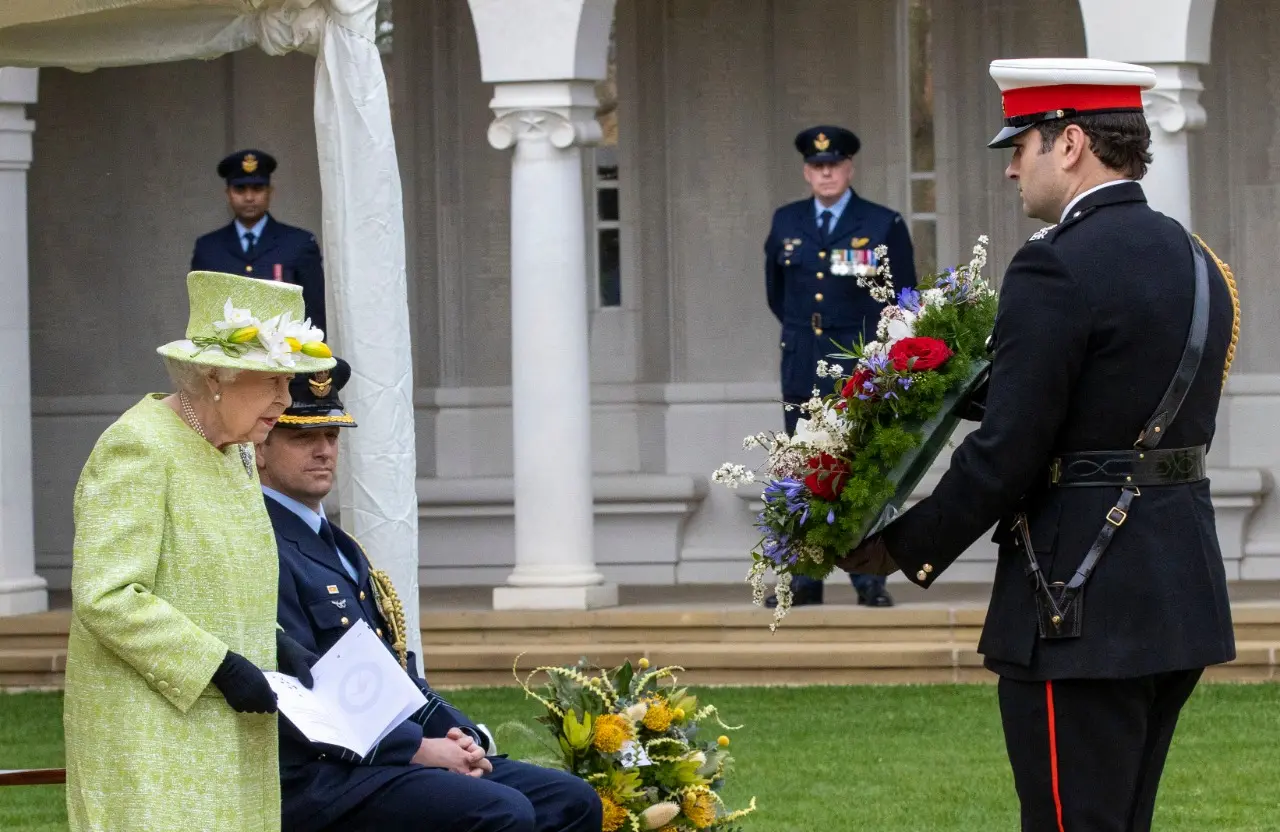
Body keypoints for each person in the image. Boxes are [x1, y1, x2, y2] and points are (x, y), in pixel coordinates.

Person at [837, 58, 1239, 832]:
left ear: (1073, 143)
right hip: (1175, 588)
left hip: (1077, 601)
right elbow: (1109, 405)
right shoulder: (1200, 261)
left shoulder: (1055, 263)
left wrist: (902, 545)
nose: (1012, 166)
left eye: (1022, 143)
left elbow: (1011, 450)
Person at [256, 359, 603, 832]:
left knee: (570, 800)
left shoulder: (340, 547)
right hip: (327, 774)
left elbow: (391, 671)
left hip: (385, 755)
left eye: (332, 437)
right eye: (302, 438)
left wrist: (460, 735)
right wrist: (419, 749)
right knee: (503, 812)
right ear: (258, 450)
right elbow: (304, 683)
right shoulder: (261, 544)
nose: (323, 451)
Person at [63, 271, 334, 831]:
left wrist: (277, 646)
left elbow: (221, 581)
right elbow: (107, 594)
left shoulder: (234, 451)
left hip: (228, 727)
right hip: (151, 732)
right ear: (215, 377)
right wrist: (218, 665)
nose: (286, 401)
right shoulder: (139, 446)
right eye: (273, 383)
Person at [763, 124, 917, 608]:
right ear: (807, 171)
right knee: (804, 465)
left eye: (833, 165)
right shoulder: (786, 221)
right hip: (802, 359)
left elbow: (902, 298)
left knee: (863, 465)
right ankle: (806, 576)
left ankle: (868, 577)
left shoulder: (882, 222)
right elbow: (776, 292)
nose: (825, 173)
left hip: (858, 361)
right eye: (816, 166)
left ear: (849, 167)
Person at [192, 149, 328, 333]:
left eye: (257, 188)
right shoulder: (208, 248)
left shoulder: (299, 243)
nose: (249, 197)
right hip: (225, 356)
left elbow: (315, 316)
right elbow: (202, 317)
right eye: (240, 189)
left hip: (285, 355)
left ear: (270, 191)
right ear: (228, 193)